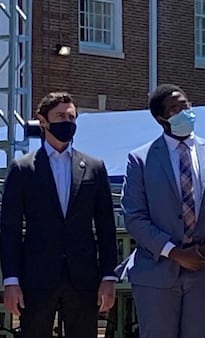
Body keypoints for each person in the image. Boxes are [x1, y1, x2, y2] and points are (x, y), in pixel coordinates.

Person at [120, 84, 205, 338]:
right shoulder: (140, 159)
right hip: (156, 271)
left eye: (186, 105)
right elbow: (134, 217)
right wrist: (175, 253)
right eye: (175, 108)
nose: (185, 112)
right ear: (161, 118)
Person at [0, 92, 118, 338]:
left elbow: (106, 226)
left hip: (84, 278)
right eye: (60, 116)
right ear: (42, 121)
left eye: (72, 117)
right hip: (36, 277)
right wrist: (11, 280)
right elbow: (9, 228)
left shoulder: (94, 167)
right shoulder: (22, 168)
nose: (68, 122)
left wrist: (109, 276)